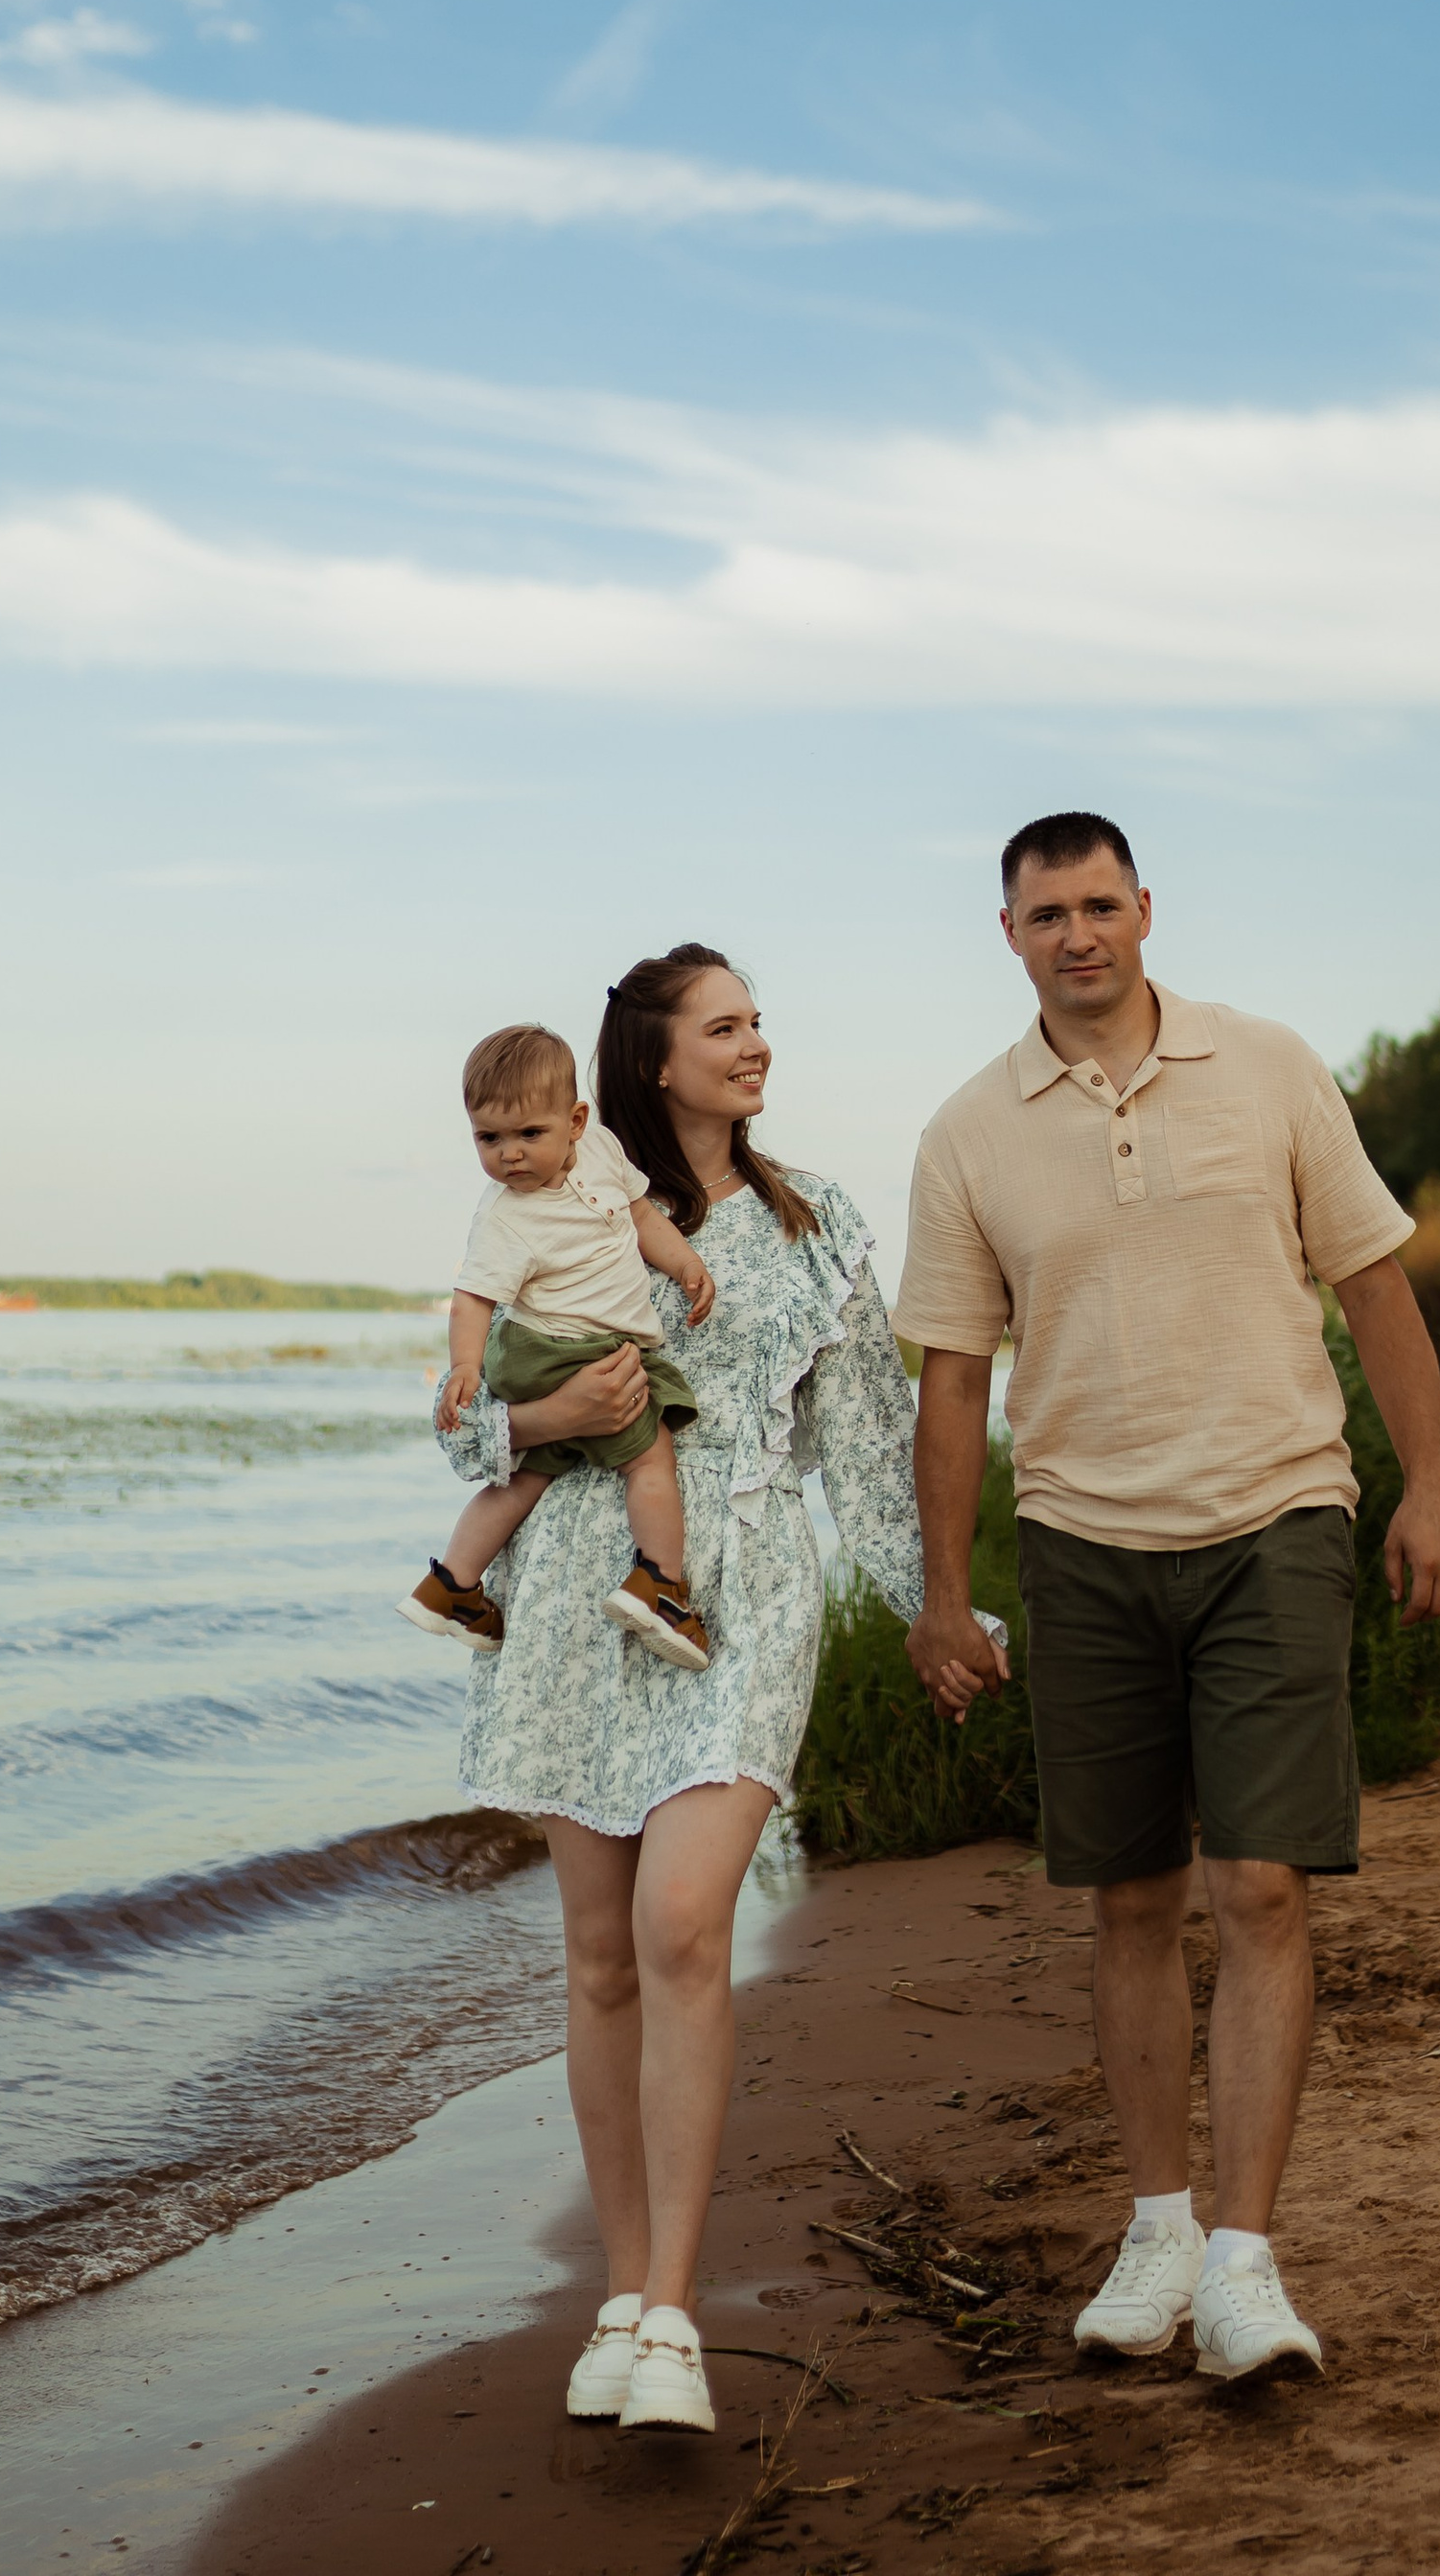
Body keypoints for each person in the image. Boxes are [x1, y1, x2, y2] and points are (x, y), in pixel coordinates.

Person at [898, 810, 1440, 2387]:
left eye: (1098, 905)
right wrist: (947, 1597)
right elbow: (955, 1384)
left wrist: (1428, 1487)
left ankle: (1244, 2263)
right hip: (1080, 1542)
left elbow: (1376, 1292)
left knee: (1264, 1888)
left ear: (1146, 909)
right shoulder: (966, 1133)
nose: (1077, 935)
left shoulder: (1269, 1067)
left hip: (1275, 1515)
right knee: (1132, 1897)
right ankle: (1157, 2226)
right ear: (1005, 933)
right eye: (1044, 914)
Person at [437, 943, 944, 2437]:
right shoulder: (548, 1201)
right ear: (655, 1060)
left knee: (678, 1922)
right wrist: (548, 1408)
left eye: (759, 1022)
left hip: (742, 1580)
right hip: (576, 1585)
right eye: (728, 1027)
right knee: (598, 1954)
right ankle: (617, 2297)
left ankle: (673, 2312)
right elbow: (469, 1440)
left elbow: (866, 1439)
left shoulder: (814, 1221)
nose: (758, 1046)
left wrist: (932, 1607)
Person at [401, 1022, 717, 1668]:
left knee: (528, 1474)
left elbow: (640, 1216)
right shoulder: (505, 1217)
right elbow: (473, 1299)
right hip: (562, 1351)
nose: (509, 1154)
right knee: (651, 1458)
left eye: (528, 1134)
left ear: (576, 1121)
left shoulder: (601, 1150)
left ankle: (454, 1585)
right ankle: (660, 1585)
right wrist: (465, 1365)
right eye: (489, 1138)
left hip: (554, 1352)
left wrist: (684, 1264)